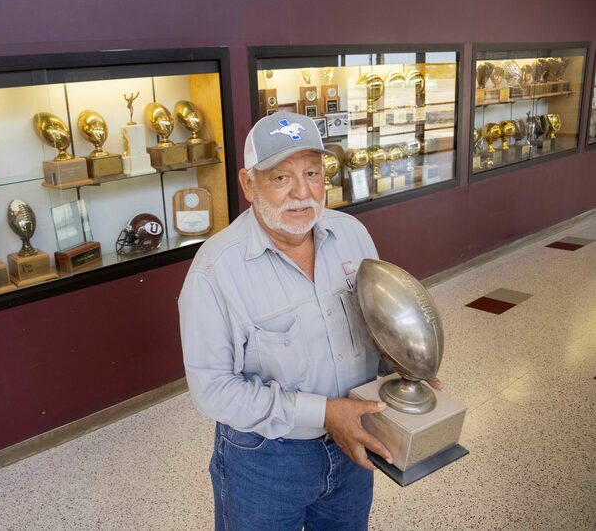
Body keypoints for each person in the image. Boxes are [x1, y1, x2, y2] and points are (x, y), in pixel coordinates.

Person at [178, 111, 441, 530]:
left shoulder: (351, 234)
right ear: (249, 184)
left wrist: (402, 367)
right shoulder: (215, 271)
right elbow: (213, 391)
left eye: (313, 173)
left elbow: (373, 326)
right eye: (281, 178)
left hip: (355, 443)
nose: (303, 193)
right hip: (265, 461)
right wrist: (325, 413)